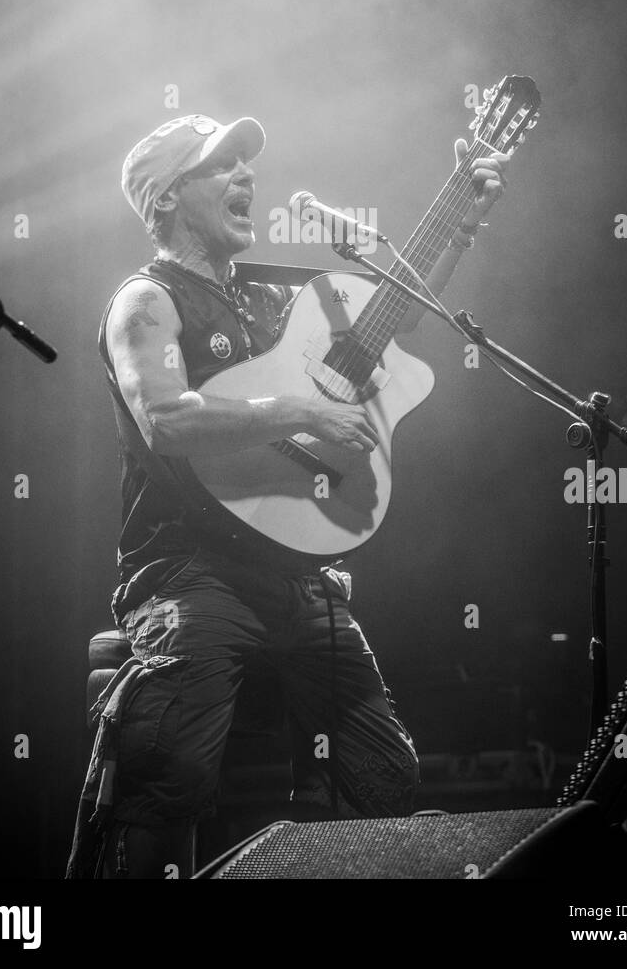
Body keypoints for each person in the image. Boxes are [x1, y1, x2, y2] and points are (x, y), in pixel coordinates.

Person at [78, 112, 508, 878]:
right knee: (165, 778)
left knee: (386, 776)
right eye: (222, 167)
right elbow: (166, 418)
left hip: (296, 581)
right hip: (189, 573)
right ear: (169, 198)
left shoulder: (274, 294)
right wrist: (308, 411)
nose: (247, 176)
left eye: (247, 163)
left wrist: (460, 224)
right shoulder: (145, 302)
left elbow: (394, 314)